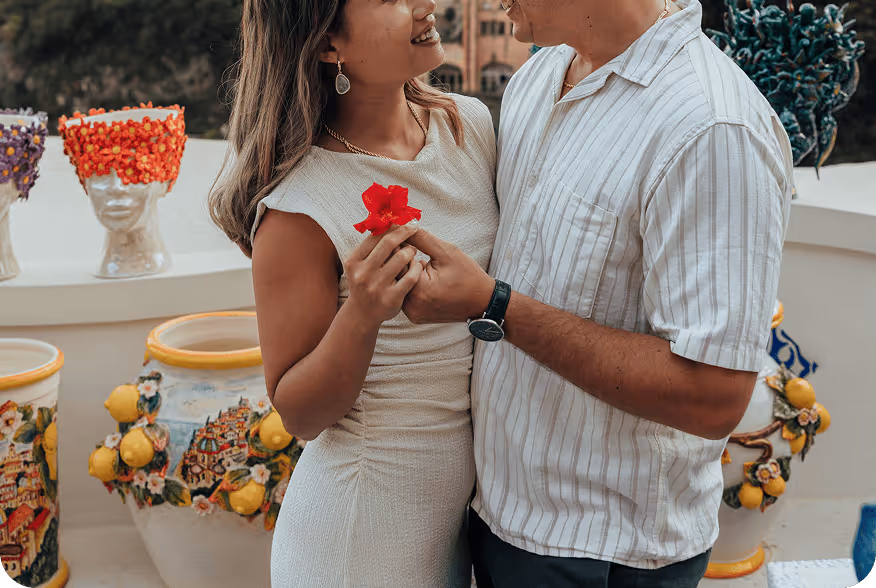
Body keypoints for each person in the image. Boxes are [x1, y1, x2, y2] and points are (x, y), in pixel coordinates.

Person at [401, 0, 794, 586]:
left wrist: (496, 306)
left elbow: (712, 397)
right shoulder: (541, 73)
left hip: (607, 551)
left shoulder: (712, 128)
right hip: (499, 517)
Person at [208, 0, 499, 586]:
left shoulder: (469, 127)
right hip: (359, 537)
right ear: (326, 47)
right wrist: (363, 315)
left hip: (462, 527)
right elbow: (300, 412)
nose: (425, 5)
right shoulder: (301, 209)